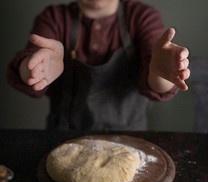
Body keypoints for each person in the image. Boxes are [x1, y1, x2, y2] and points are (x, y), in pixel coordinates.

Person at [7, 0, 190, 131]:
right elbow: (27, 65)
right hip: (64, 135)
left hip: (130, 137)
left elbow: (156, 83)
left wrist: (161, 72)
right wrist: (33, 69)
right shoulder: (54, 17)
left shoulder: (141, 16)